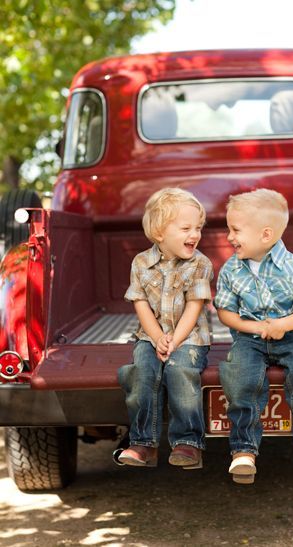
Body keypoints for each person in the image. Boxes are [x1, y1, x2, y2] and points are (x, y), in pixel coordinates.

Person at [214, 188, 293, 484]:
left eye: (235, 230)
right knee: (241, 376)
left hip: (290, 336)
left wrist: (284, 324)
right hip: (249, 338)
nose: (229, 237)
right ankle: (243, 451)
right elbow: (225, 313)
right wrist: (257, 328)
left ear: (266, 234)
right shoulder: (231, 269)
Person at [117, 187, 213, 469]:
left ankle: (188, 443)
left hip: (190, 336)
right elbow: (141, 304)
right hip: (151, 336)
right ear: (159, 233)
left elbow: (195, 308)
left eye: (198, 227)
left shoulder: (200, 264)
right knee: (143, 372)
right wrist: (158, 338)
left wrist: (174, 341)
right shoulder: (141, 263)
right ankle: (143, 443)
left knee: (180, 370)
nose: (194, 234)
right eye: (185, 228)